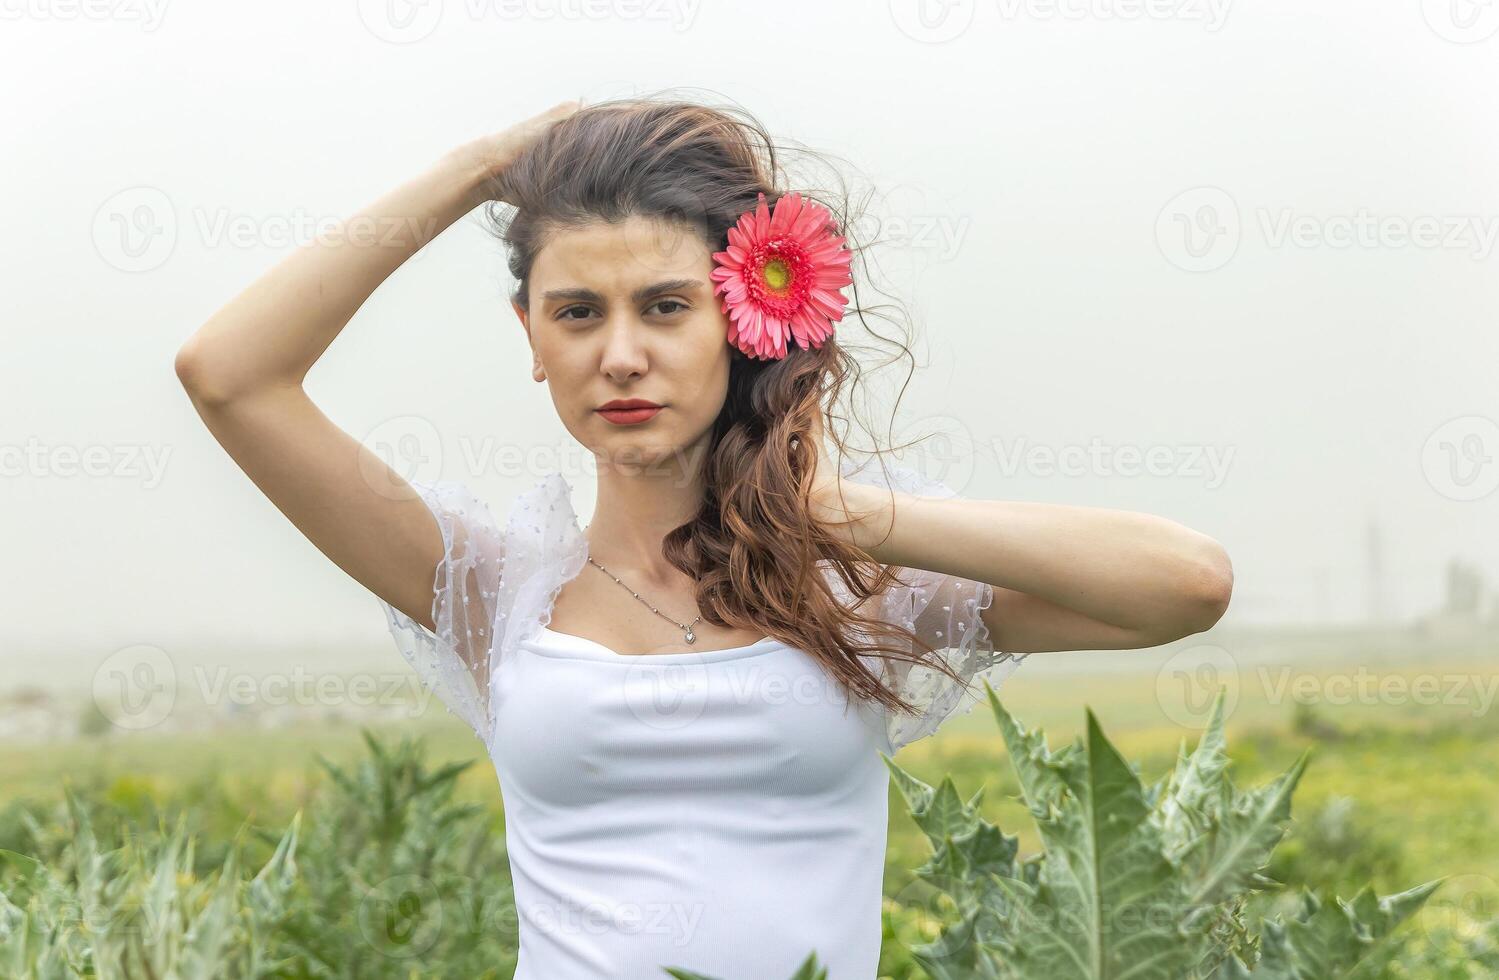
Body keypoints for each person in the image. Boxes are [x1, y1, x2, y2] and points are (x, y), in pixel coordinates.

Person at [174, 93, 1233, 979]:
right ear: (530, 339)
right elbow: (229, 373)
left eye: (666, 306)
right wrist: (480, 168)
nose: (621, 354)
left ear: (741, 320)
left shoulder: (860, 587)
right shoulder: (491, 588)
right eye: (577, 311)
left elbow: (1182, 585)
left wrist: (842, 517)